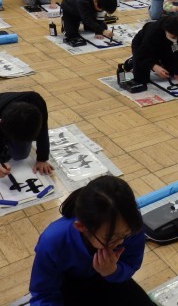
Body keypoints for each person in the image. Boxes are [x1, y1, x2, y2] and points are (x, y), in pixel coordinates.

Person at [29, 176, 155, 306]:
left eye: (125, 234)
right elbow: (43, 293)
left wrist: (113, 271)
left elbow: (131, 264)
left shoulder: (131, 225)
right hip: (68, 286)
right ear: (81, 227)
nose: (120, 241)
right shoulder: (53, 240)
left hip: (109, 278)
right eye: (111, 237)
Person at [123, 16, 178, 85]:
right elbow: (143, 53)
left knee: (170, 71)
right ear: (166, 30)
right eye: (174, 37)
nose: (177, 39)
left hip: (166, 46)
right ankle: (131, 61)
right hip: (142, 47)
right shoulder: (153, 32)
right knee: (142, 79)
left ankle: (157, 61)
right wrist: (153, 66)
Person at [0, 92, 54, 178]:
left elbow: (43, 130)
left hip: (11, 119)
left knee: (20, 154)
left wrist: (42, 159)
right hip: (4, 113)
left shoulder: (37, 102)